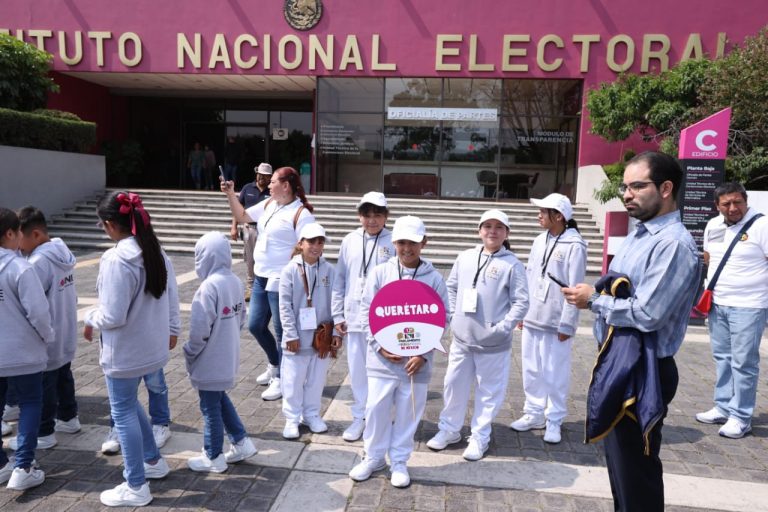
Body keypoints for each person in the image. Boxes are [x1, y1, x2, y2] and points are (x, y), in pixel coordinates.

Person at [562, 151, 701, 512]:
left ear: (666, 188)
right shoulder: (640, 235)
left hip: (645, 370)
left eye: (638, 186)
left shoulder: (672, 245)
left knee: (636, 473)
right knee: (621, 468)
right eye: (625, 186)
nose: (627, 194)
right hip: (620, 360)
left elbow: (647, 314)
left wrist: (593, 299)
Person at [83, 191, 180, 507]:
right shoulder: (153, 250)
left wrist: (89, 316)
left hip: (124, 351)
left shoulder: (117, 259)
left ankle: (136, 483)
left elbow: (112, 315)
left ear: (111, 224)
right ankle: (152, 460)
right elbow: (172, 296)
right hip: (150, 347)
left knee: (122, 411)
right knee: (129, 405)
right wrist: (173, 328)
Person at [349, 215, 450, 488]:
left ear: (424, 243)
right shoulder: (381, 273)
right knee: (376, 409)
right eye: (402, 242)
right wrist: (379, 345)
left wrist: (424, 354)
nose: (407, 248)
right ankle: (373, 457)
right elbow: (367, 311)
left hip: (416, 364)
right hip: (382, 361)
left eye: (414, 243)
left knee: (409, 412)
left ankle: (401, 460)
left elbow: (443, 317)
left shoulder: (435, 278)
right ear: (394, 242)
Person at [427, 209, 529, 460]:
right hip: (462, 339)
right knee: (453, 385)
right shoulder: (465, 257)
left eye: (498, 227)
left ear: (506, 233)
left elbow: (521, 302)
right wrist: (452, 317)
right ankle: (449, 430)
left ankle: (480, 436)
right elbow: (451, 287)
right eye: (487, 226)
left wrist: (502, 327)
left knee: (489, 392)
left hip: (493, 344)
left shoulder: (512, 264)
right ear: (479, 230)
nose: (492, 231)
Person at [221, 167, 316, 401]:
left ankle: (283, 378)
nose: (268, 185)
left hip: (282, 280)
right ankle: (275, 364)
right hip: (261, 275)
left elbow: (309, 247)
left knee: (282, 331)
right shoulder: (269, 205)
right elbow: (243, 216)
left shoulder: (301, 213)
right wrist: (231, 194)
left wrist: (291, 268)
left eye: (273, 181)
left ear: (286, 186)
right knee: (254, 325)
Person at [511, 194, 587, 444]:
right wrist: (523, 312)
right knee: (531, 369)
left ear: (559, 216)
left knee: (555, 372)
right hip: (533, 317)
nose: (538, 215)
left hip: (556, 322)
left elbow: (575, 286)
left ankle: (554, 418)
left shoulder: (575, 245)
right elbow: (530, 276)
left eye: (543, 211)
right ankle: (533, 412)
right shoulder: (538, 240)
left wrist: (568, 322)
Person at [695, 182, 768, 438]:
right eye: (726, 203)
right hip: (718, 303)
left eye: (738, 202)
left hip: (749, 305)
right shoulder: (713, 226)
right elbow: (708, 258)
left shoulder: (762, 226)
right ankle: (723, 406)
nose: (733, 207)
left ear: (746, 200)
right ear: (717, 206)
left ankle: (741, 416)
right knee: (723, 358)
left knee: (744, 363)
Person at [7, 207, 80, 453]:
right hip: (66, 327)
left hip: (47, 333)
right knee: (63, 375)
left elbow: (34, 306)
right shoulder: (62, 249)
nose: (18, 244)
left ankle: (44, 431)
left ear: (36, 234)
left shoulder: (37, 262)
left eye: (20, 236)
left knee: (45, 384)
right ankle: (69, 418)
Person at [184, 232, 257, 472]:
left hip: (209, 358)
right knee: (218, 398)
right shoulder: (235, 281)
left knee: (209, 408)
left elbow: (199, 330)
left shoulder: (208, 287)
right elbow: (241, 317)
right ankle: (240, 441)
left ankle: (213, 455)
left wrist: (190, 351)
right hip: (228, 354)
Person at [332, 192, 394, 442]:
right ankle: (360, 417)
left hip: (383, 319)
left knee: (384, 372)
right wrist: (337, 314)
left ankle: (380, 417)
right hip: (355, 317)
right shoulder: (349, 240)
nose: (372, 220)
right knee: (357, 372)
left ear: (386, 216)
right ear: (359, 216)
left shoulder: (394, 242)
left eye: (377, 214)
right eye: (367, 215)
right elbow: (340, 280)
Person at [0, 207, 52, 491]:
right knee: (31, 403)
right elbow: (39, 314)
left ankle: (1, 464)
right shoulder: (21, 268)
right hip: (22, 351)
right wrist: (48, 337)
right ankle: (23, 465)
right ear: (10, 233)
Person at [278, 223, 341, 439]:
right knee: (293, 379)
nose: (316, 246)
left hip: (320, 337)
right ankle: (292, 417)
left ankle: (312, 414)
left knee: (317, 379)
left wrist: (336, 334)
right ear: (301, 243)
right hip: (297, 337)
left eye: (320, 242)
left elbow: (336, 302)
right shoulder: (289, 270)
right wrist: (290, 334)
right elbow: (284, 305)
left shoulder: (329, 270)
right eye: (311, 241)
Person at [231, 163, 272, 302]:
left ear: (269, 178)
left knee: (264, 258)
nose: (262, 178)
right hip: (249, 228)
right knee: (250, 259)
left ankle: (264, 286)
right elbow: (239, 208)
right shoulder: (248, 188)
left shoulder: (271, 192)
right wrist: (234, 227)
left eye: (265, 176)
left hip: (265, 230)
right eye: (260, 174)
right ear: (256, 174)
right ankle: (250, 287)